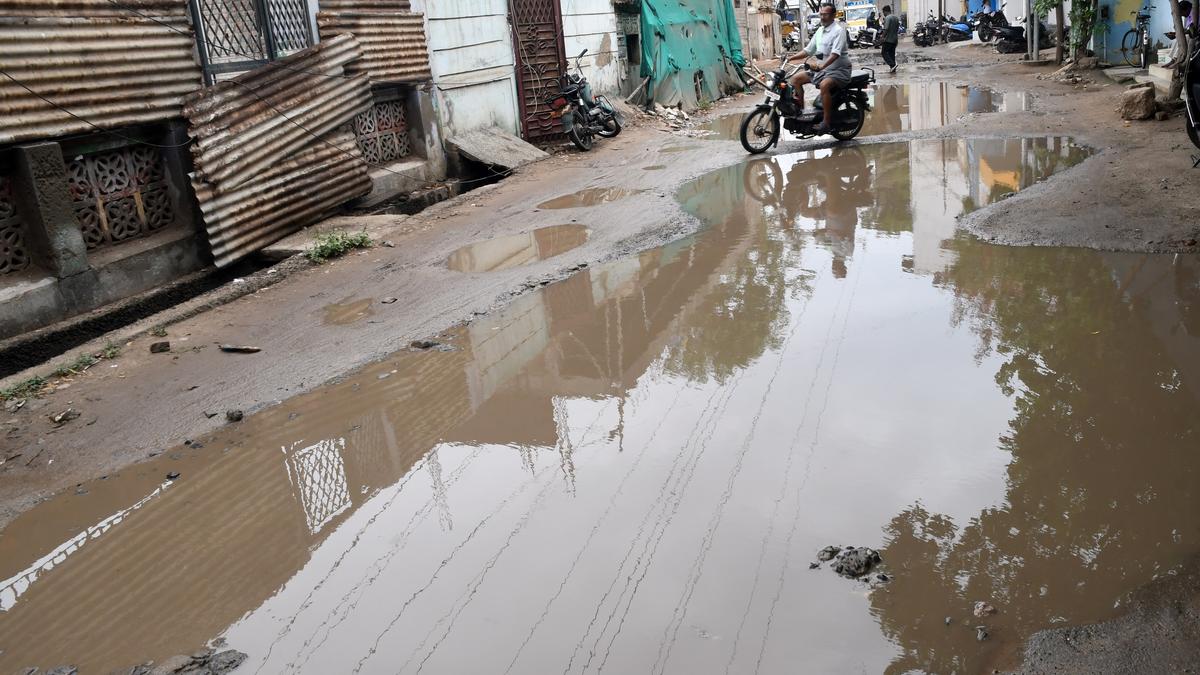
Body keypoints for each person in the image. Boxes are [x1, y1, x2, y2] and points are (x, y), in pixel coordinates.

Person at [785, 2, 852, 134]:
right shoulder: (820, 31)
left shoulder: (838, 31)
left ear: (833, 15)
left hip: (839, 71)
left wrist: (822, 66)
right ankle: (801, 114)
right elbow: (808, 50)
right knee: (795, 79)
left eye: (825, 15)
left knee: (824, 85)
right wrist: (790, 58)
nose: (822, 17)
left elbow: (835, 54)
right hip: (822, 70)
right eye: (821, 14)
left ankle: (826, 123)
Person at [1165, 0, 1194, 68]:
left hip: (1195, 36)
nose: (1182, 15)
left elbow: (1192, 31)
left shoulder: (1194, 14)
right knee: (1178, 37)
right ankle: (1173, 60)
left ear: (1187, 9)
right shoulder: (1189, 17)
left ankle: (1176, 60)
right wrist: (1176, 33)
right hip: (1191, 34)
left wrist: (1180, 33)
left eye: (1182, 12)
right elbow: (1187, 30)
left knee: (1184, 37)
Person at [880, 5, 901, 73]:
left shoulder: (888, 18)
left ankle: (892, 65)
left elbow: (886, 29)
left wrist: (882, 37)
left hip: (888, 39)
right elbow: (897, 28)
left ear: (885, 11)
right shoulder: (896, 18)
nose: (883, 14)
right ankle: (893, 68)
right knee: (891, 54)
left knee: (884, 52)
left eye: (883, 12)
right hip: (895, 39)